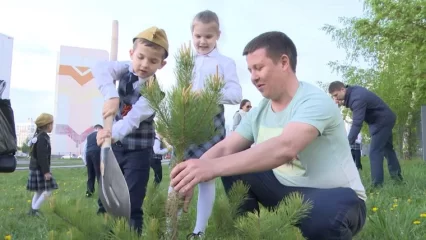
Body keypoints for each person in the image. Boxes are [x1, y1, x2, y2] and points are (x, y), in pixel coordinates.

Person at [170, 31, 367, 240]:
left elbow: (285, 147)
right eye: (250, 70)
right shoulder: (259, 112)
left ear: (284, 62)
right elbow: (226, 147)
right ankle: (250, 233)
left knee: (327, 217)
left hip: (337, 198)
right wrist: (190, 175)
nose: (253, 77)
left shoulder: (314, 101)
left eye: (259, 68)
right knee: (231, 166)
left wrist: (211, 167)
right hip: (284, 190)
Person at [93, 26, 168, 234]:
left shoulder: (155, 94)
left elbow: (131, 121)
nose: (144, 64)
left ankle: (130, 234)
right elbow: (100, 68)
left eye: (153, 61)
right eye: (141, 57)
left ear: (162, 64)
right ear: (131, 54)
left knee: (132, 202)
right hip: (114, 150)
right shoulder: (124, 69)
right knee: (106, 198)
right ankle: (104, 234)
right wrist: (111, 94)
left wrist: (109, 133)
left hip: (138, 152)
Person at [180, 10, 242, 238]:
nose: (202, 41)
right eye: (198, 36)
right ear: (192, 34)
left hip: (211, 125)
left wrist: (208, 94)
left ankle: (199, 231)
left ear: (218, 36)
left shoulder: (225, 63)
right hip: (186, 123)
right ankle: (170, 227)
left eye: (208, 36)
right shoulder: (185, 60)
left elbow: (236, 94)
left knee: (206, 178)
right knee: (179, 174)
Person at [328, 81, 403, 186]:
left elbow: (357, 123)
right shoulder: (353, 93)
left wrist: (347, 142)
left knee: (375, 152)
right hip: (384, 119)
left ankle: (377, 185)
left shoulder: (357, 98)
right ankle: (398, 179)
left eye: (336, 95)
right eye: (333, 97)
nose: (335, 99)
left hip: (382, 121)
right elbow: (352, 102)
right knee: (387, 149)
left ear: (342, 89)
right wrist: (342, 103)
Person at [26, 113, 58, 217]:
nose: (52, 126)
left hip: (35, 168)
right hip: (39, 169)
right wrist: (46, 172)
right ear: (47, 125)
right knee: (48, 190)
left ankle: (32, 211)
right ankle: (35, 209)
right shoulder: (42, 138)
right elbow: (42, 157)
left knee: (39, 191)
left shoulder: (39, 136)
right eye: (52, 124)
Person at [81, 124, 103, 198]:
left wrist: (85, 162)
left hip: (88, 154)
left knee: (90, 175)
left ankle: (89, 192)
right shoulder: (101, 134)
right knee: (99, 174)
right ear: (100, 128)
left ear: (95, 128)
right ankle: (102, 193)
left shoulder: (89, 136)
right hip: (97, 153)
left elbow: (84, 149)